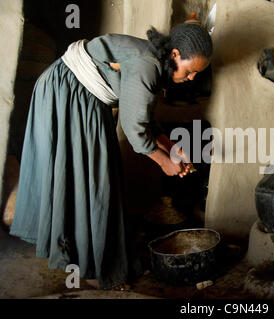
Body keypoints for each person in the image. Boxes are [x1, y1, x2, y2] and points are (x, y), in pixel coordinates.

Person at [9, 22, 213, 290]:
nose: (191, 78)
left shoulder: (155, 63)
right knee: (90, 182)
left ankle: (94, 259)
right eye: (190, 71)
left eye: (197, 74)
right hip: (68, 93)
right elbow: (134, 128)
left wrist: (172, 149)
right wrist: (165, 163)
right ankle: (90, 268)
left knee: (95, 180)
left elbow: (144, 115)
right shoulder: (147, 64)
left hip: (81, 96)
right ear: (175, 55)